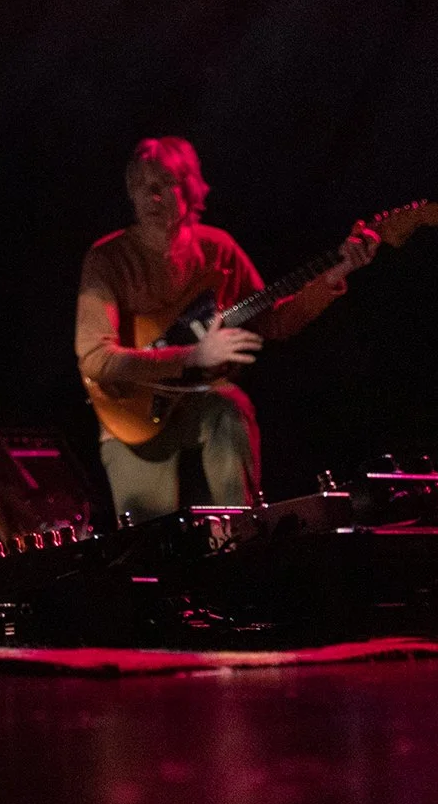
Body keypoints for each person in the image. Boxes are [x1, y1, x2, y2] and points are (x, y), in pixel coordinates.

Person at [74, 137, 375, 522]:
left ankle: (243, 533)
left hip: (199, 400)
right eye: (140, 187)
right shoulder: (107, 258)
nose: (150, 198)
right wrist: (193, 355)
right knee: (148, 547)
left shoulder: (218, 249)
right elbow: (96, 359)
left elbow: (274, 321)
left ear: (190, 187)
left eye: (163, 184)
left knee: (231, 405)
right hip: (128, 415)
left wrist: (334, 275)